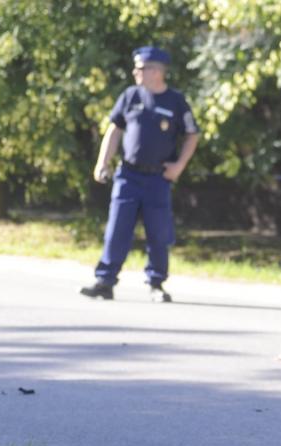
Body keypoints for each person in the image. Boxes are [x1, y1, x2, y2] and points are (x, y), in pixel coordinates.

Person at [80, 46, 199, 303]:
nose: (136, 72)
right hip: (128, 176)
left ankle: (156, 283)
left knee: (158, 232)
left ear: (157, 71)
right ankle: (105, 281)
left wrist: (179, 166)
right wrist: (103, 162)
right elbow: (114, 131)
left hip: (158, 178)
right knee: (116, 229)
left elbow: (192, 134)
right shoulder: (130, 96)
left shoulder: (175, 101)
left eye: (141, 68)